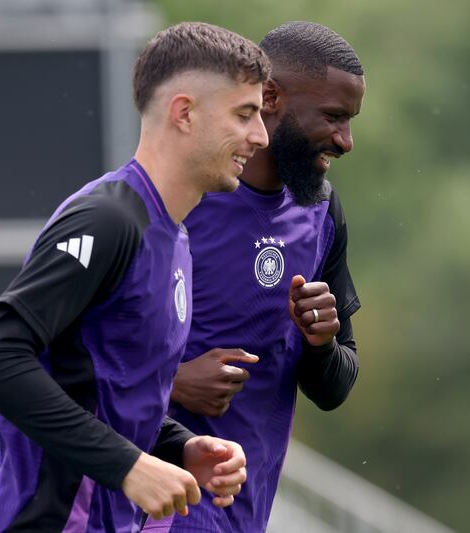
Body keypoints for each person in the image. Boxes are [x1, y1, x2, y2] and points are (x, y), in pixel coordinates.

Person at [0, 22, 270, 532]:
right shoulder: (107, 220)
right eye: (245, 114)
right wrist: (126, 465)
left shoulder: (174, 236)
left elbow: (106, 390)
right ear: (185, 113)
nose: (259, 136)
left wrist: (179, 445)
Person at [144, 20, 366, 533]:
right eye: (333, 117)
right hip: (155, 509)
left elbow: (334, 387)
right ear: (270, 98)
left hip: (247, 512)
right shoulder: (173, 198)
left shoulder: (321, 212)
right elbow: (65, 360)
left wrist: (321, 343)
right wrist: (174, 383)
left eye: (351, 121)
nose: (346, 140)